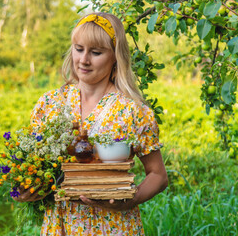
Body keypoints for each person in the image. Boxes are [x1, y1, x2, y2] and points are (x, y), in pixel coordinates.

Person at [14, 12, 168, 235]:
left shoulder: (132, 111)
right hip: (60, 226)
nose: (84, 60)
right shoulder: (49, 104)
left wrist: (129, 202)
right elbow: (32, 167)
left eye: (96, 52)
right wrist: (24, 190)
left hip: (114, 226)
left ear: (115, 56)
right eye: (79, 49)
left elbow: (158, 175)